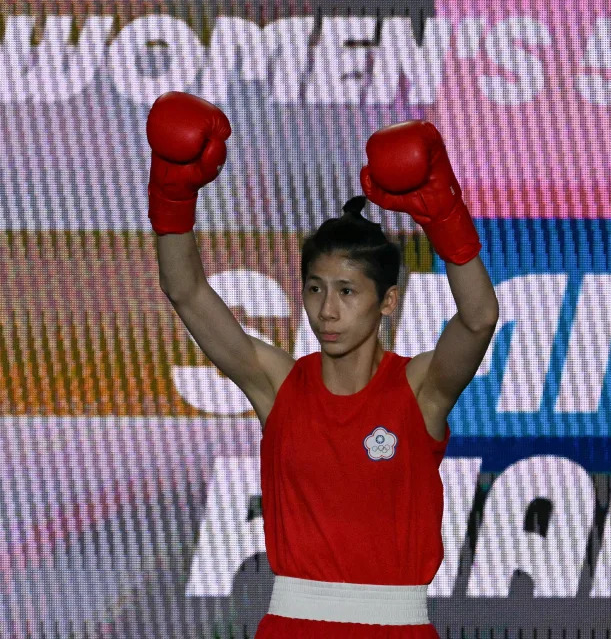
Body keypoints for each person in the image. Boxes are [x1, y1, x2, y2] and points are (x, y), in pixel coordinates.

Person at [148, 92, 499, 636]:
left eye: (346, 292)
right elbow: (186, 291)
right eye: (314, 289)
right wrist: (173, 191)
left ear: (386, 301)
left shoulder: (419, 389)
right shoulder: (279, 385)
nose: (326, 310)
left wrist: (446, 217)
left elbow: (478, 319)